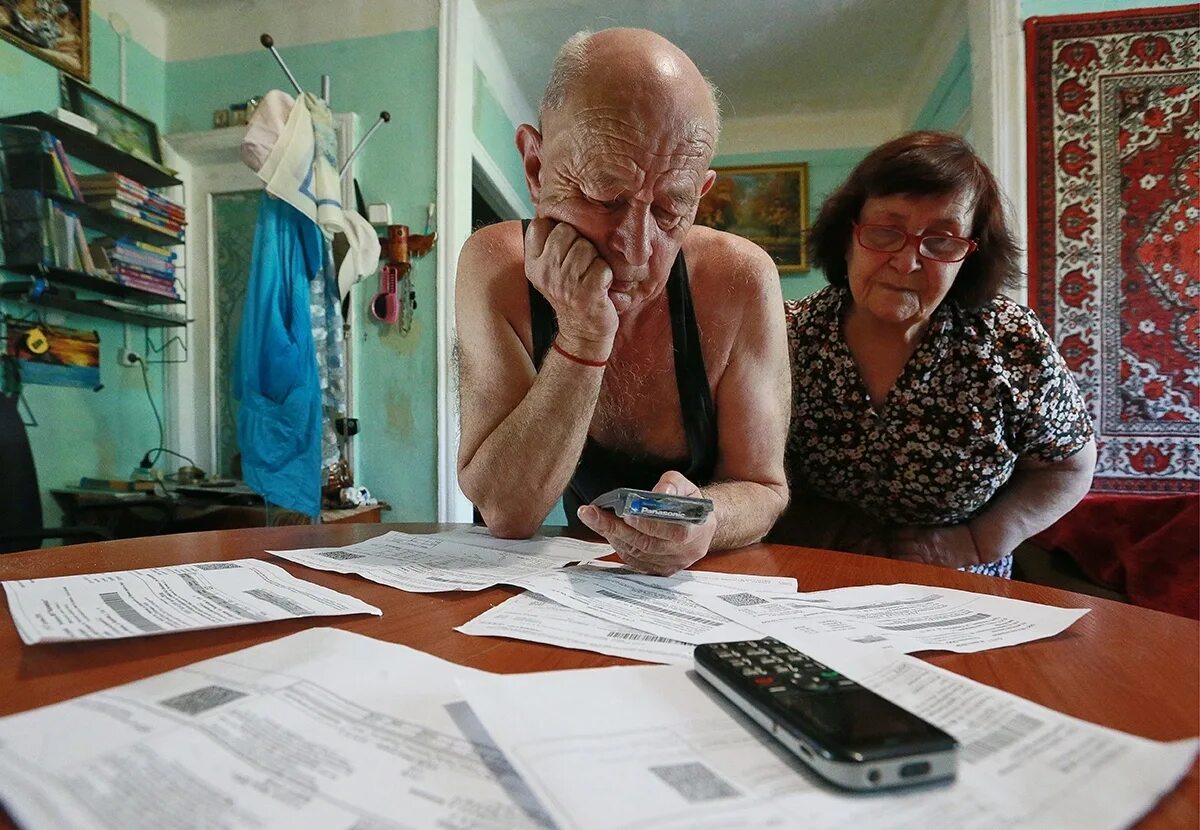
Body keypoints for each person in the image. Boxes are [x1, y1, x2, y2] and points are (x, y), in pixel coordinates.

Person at [455, 29, 790, 576]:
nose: (635, 249)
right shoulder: (496, 267)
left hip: (696, 589)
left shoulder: (742, 279)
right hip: (547, 589)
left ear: (700, 194)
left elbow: (763, 487)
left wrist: (706, 518)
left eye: (668, 210)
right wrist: (584, 338)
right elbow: (507, 512)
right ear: (536, 168)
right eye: (604, 196)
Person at [772, 131, 1096, 578]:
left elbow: (1068, 467)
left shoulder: (1010, 340)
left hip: (957, 586)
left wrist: (978, 540)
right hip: (809, 572)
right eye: (886, 232)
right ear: (848, 235)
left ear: (970, 255)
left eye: (942, 241)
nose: (907, 262)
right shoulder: (784, 334)